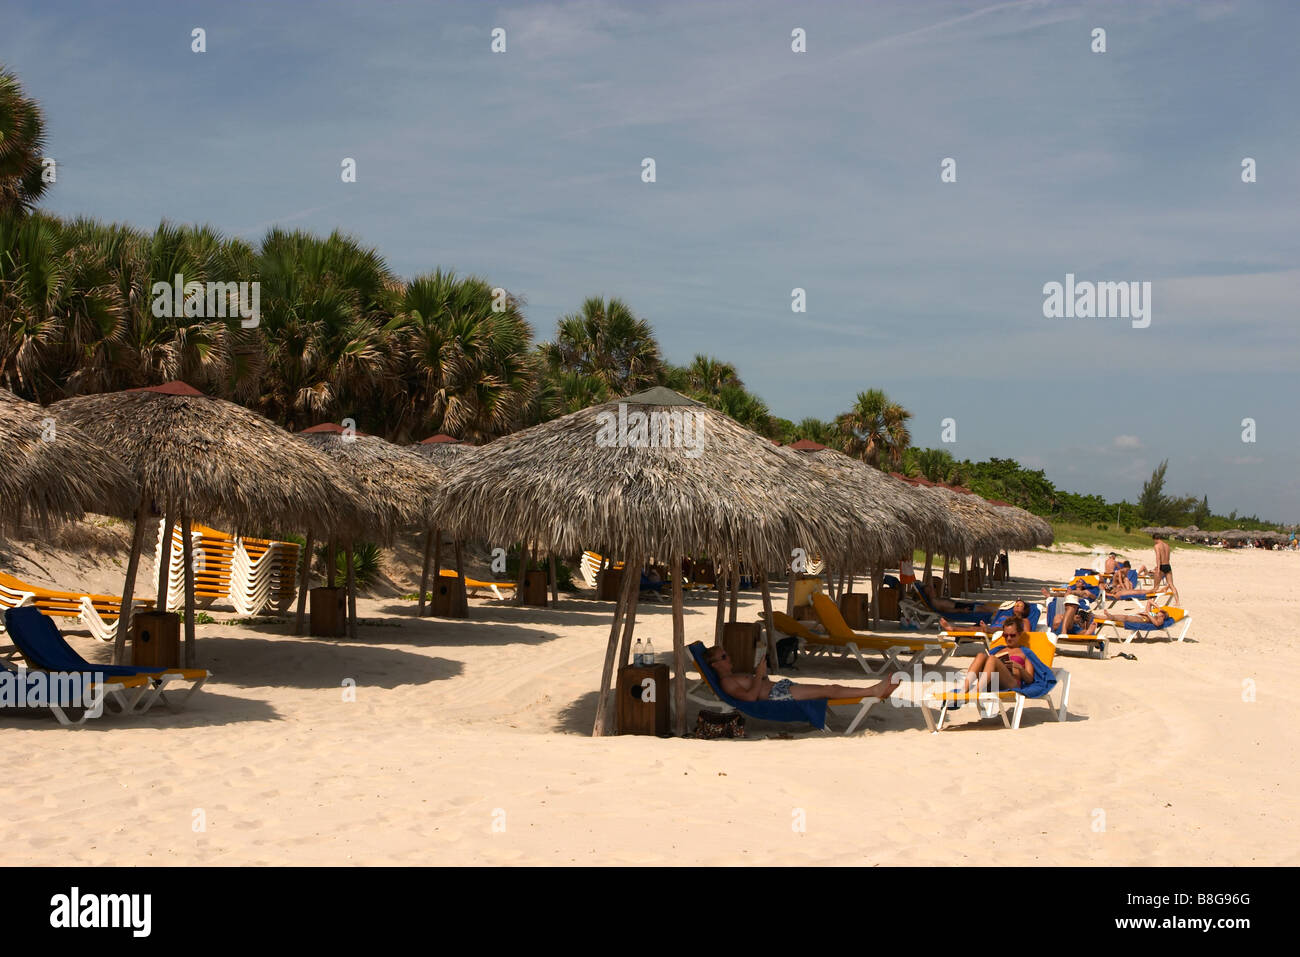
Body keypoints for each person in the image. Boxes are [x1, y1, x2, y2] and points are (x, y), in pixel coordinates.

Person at [706, 645, 901, 702]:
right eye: (724, 656)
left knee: (830, 688)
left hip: (779, 687)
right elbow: (749, 697)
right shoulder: (727, 683)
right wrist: (758, 675)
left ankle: (872, 690)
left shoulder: (732, 677)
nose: (729, 657)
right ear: (715, 665)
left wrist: (762, 674)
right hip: (778, 695)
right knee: (828, 690)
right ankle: (873, 690)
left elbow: (755, 687)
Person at [948, 616, 1047, 702]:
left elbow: (1030, 679)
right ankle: (965, 688)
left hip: (1012, 684)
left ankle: (976, 691)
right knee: (981, 655)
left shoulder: (1025, 653)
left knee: (992, 659)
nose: (1008, 638)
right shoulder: (999, 650)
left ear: (1020, 634)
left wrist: (1019, 667)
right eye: (1005, 635)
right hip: (992, 682)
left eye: (1012, 635)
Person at [939, 598, 1033, 633]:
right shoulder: (1009, 617)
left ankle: (988, 629)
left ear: (1024, 611)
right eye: (1016, 605)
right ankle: (952, 628)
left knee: (997, 629)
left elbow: (1027, 634)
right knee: (973, 629)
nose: (1016, 606)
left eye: (1020, 606)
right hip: (995, 629)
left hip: (1005, 633)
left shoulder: (1025, 621)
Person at [1151, 533, 1180, 605]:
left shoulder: (1157, 546)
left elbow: (1158, 557)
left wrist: (1157, 568)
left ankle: (1153, 602)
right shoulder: (1167, 545)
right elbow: (1168, 558)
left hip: (1161, 566)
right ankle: (1177, 601)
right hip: (1167, 565)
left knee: (1156, 586)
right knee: (1171, 584)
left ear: (1155, 539)